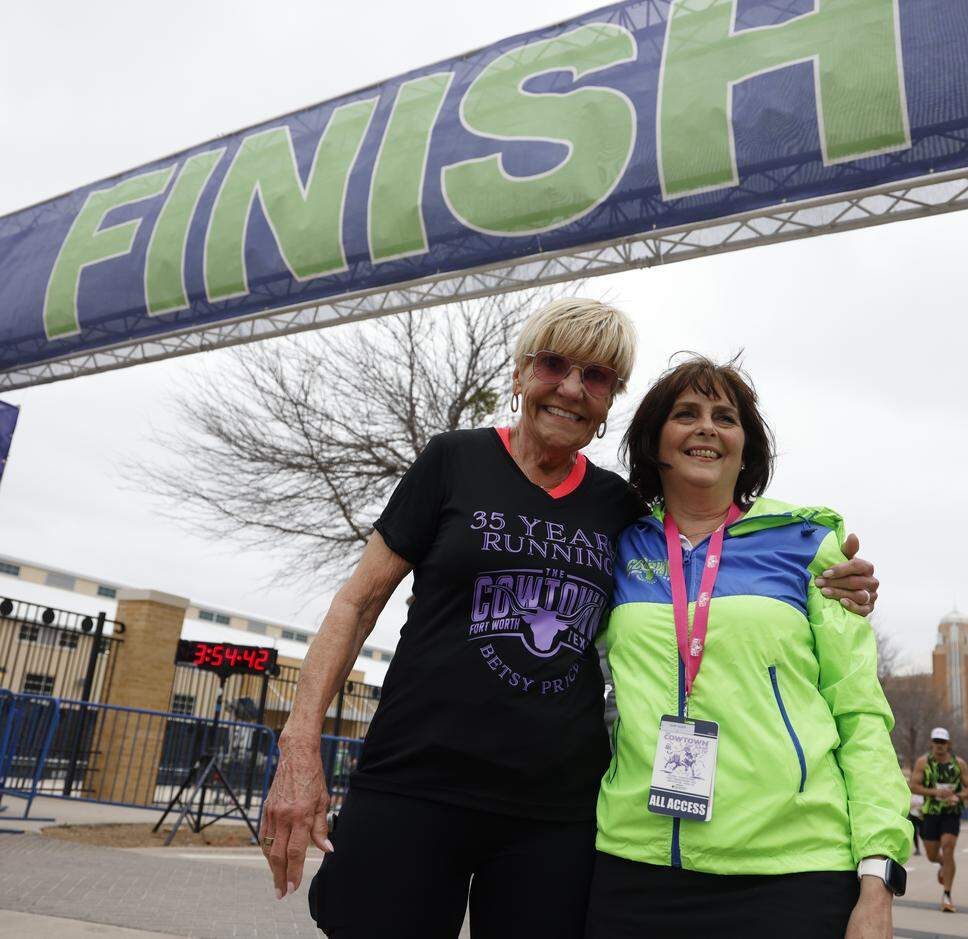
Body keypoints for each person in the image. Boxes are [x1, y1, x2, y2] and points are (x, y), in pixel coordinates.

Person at [257, 300, 880, 939]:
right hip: (415, 782)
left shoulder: (618, 510)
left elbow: (705, 554)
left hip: (552, 814)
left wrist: (831, 580)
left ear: (611, 402)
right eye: (554, 365)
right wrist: (299, 745)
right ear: (523, 373)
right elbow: (357, 604)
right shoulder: (452, 461)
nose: (572, 389)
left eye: (598, 377)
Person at [585, 356, 910, 939]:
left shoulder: (807, 545)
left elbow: (860, 713)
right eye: (686, 414)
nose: (706, 427)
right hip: (634, 863)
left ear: (746, 446)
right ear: (655, 439)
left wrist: (877, 874)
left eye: (725, 417)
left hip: (790, 870)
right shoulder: (615, 545)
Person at [909, 727, 968, 912]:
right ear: (931, 743)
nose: (939, 746)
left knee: (948, 847)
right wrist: (935, 792)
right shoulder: (923, 762)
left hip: (951, 813)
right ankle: (941, 864)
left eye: (943, 742)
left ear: (949, 744)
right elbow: (914, 786)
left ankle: (947, 894)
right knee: (931, 855)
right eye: (936, 742)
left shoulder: (959, 764)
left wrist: (959, 797)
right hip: (930, 813)